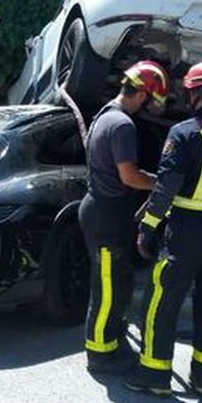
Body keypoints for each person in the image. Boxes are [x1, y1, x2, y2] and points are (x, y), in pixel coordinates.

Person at [125, 59, 202, 396]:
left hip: (187, 230)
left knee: (162, 299)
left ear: (195, 93)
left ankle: (154, 375)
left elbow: (165, 188)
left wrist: (147, 228)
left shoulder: (183, 133)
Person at [81, 60, 170, 374]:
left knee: (117, 282)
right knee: (107, 289)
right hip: (107, 216)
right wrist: (161, 183)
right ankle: (100, 355)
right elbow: (130, 176)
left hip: (105, 212)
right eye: (151, 100)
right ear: (143, 95)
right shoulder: (122, 125)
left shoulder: (105, 115)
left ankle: (113, 341)